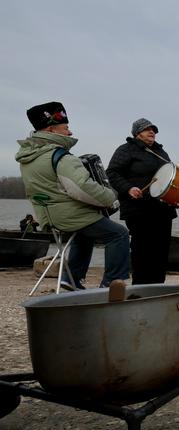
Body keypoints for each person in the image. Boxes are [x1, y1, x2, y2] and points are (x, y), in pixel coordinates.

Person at [15, 101, 129, 289]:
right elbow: (81, 188)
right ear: (51, 130)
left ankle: (72, 278)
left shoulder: (28, 158)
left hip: (47, 216)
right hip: (68, 216)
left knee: (85, 232)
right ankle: (112, 284)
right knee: (119, 234)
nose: (70, 133)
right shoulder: (60, 156)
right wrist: (110, 197)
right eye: (66, 128)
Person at [107, 118, 177, 285]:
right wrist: (128, 188)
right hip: (138, 209)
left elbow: (168, 177)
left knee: (161, 250)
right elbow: (112, 172)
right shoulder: (126, 150)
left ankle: (158, 286)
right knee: (142, 250)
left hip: (162, 209)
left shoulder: (161, 152)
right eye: (147, 129)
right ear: (137, 133)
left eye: (153, 129)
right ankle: (140, 287)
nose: (152, 132)